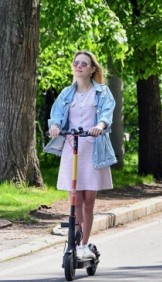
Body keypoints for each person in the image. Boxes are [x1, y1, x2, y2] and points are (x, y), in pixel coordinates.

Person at [44, 50, 117, 260]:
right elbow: (56, 114)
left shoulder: (102, 92)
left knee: (88, 200)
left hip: (93, 147)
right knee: (74, 198)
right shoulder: (67, 93)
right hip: (72, 147)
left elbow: (106, 114)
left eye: (84, 64)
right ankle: (73, 239)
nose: (79, 66)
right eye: (76, 63)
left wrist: (99, 126)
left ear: (92, 69)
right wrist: (56, 127)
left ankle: (84, 244)